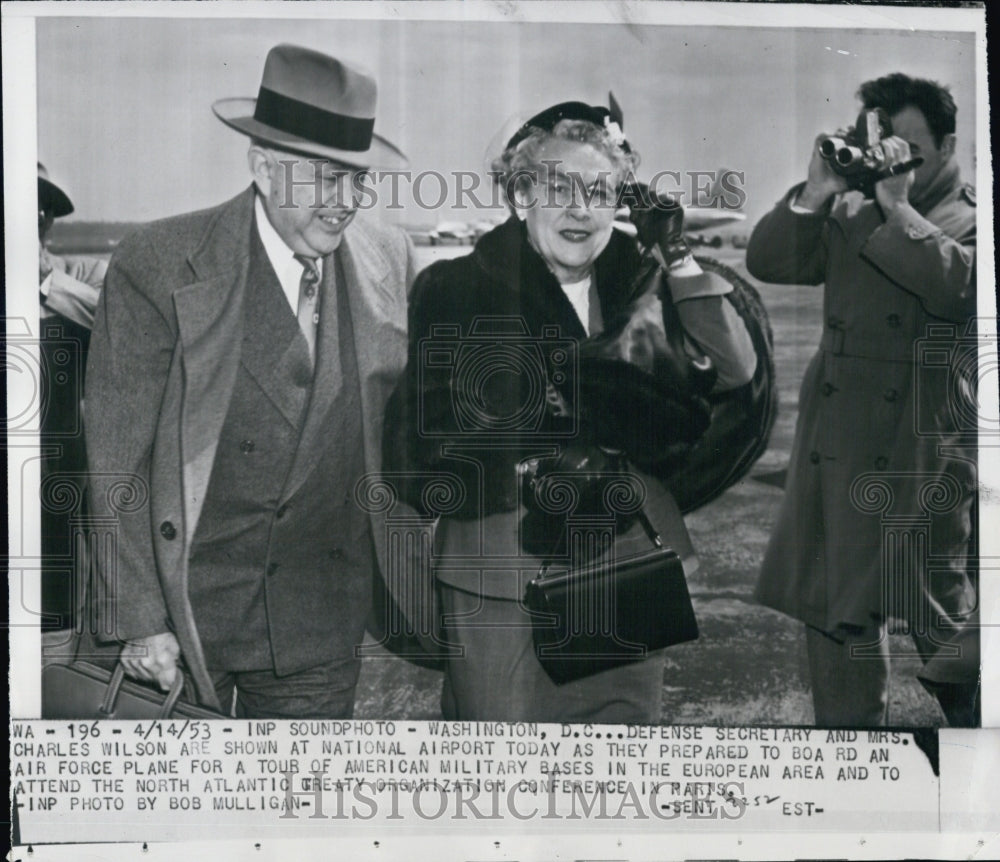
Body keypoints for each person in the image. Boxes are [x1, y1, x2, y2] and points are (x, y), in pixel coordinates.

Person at [388, 101, 758, 722]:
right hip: (502, 571)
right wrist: (526, 458)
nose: (579, 209)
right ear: (521, 195)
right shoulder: (455, 287)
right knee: (503, 776)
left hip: (627, 559)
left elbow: (735, 369)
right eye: (558, 188)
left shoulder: (645, 280)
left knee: (617, 769)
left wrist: (677, 255)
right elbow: (417, 441)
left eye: (599, 191)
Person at [85, 44, 416, 718]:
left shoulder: (391, 256)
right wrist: (139, 617)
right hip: (183, 618)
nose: (346, 202)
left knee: (298, 818)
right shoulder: (159, 262)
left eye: (360, 181)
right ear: (262, 167)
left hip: (318, 620)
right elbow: (118, 453)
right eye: (325, 178)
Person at [746, 73, 979, 726]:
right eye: (879, 144)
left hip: (922, 450)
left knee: (943, 620)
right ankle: (850, 763)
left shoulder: (969, 219)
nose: (889, 160)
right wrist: (817, 191)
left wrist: (898, 208)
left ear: (948, 142)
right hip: (842, 447)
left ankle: (982, 749)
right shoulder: (848, 211)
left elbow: (958, 290)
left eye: (908, 145)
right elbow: (770, 262)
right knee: (837, 619)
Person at [37, 163, 107, 631]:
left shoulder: (83, 273)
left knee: (54, 623)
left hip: (54, 487)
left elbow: (118, 321)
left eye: (41, 212)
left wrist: (46, 282)